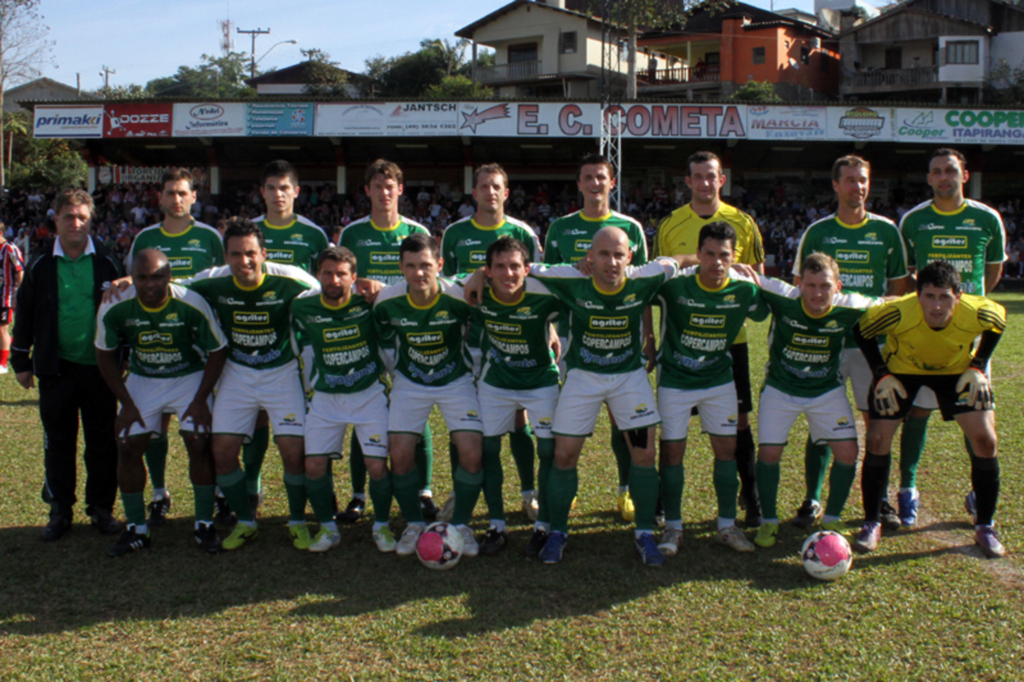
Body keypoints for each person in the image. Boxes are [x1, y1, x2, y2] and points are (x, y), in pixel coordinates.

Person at [467, 227, 680, 565]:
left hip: (629, 379)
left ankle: (644, 533)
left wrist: (715, 261)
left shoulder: (646, 277)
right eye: (603, 254)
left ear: (630, 258)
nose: (611, 262)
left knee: (644, 453)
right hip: (583, 378)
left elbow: (677, 261)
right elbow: (522, 267)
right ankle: (557, 531)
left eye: (618, 255)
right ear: (589, 258)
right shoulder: (568, 277)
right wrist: (481, 272)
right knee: (563, 456)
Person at [852, 260, 1006, 557]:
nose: (936, 306)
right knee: (877, 440)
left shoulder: (978, 310)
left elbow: (998, 322)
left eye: (944, 297)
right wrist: (881, 373)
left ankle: (985, 525)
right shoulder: (898, 312)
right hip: (902, 371)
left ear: (958, 296)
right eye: (929, 296)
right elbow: (862, 331)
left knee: (986, 441)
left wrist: (977, 365)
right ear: (917, 294)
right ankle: (872, 522)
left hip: (956, 372)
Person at [791, 155, 911, 529]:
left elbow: (898, 290)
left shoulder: (888, 231)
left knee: (879, 426)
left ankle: (878, 501)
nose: (857, 187)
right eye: (849, 180)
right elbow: (801, 289)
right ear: (835, 185)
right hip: (827, 345)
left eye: (863, 180)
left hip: (871, 348)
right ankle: (812, 499)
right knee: (820, 426)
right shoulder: (818, 232)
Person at [186, 218, 318, 550]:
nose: (243, 262)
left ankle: (298, 521)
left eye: (250, 254)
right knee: (223, 452)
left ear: (263, 253)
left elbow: (330, 293)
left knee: (293, 452)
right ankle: (246, 521)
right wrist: (128, 280)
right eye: (235, 254)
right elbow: (170, 286)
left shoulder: (290, 279)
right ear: (225, 256)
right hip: (237, 373)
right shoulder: (212, 281)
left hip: (282, 372)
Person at [655, 150, 766, 527]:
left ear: (723, 180)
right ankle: (661, 502)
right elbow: (660, 277)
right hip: (681, 343)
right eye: (697, 176)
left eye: (712, 176)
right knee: (673, 429)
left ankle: (749, 497)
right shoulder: (670, 225)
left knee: (738, 424)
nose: (705, 182)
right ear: (687, 182)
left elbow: (756, 279)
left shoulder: (743, 222)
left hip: (729, 342)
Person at [896, 148, 1006, 527]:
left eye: (950, 171)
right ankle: (907, 490)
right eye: (936, 172)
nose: (943, 177)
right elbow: (910, 275)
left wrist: (966, 308)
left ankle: (979, 492)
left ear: (963, 175)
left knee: (975, 417)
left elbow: (991, 274)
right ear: (928, 179)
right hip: (925, 332)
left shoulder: (986, 218)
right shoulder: (913, 221)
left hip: (970, 337)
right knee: (917, 411)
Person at [94, 249, 228, 556]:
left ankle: (204, 524)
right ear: (132, 276)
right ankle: (136, 528)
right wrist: (126, 403)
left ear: (169, 277)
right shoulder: (115, 304)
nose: (149, 284)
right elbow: (104, 354)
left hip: (188, 375)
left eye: (157, 277)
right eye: (142, 277)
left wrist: (199, 400)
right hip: (144, 377)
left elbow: (218, 350)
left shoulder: (190, 302)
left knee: (198, 439)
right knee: (127, 444)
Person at [11, 189, 124, 541]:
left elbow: (124, 313)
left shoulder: (108, 261)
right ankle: (60, 510)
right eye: (68, 217)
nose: (75, 223)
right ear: (55, 220)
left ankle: (101, 509)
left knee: (102, 442)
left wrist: (126, 358)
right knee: (58, 442)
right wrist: (20, 361)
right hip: (55, 369)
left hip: (100, 368)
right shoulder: (41, 264)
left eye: (82, 217)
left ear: (91, 220)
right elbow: (25, 313)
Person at [544, 153, 649, 523]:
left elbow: (642, 287)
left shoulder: (630, 227)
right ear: (578, 183)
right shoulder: (560, 228)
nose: (594, 183)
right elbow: (550, 287)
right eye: (587, 177)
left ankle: (625, 493)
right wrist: (552, 329)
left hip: (622, 337)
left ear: (611, 182)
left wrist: (648, 335)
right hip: (575, 339)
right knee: (571, 426)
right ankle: (568, 492)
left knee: (624, 424)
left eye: (601, 177)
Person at [751, 253, 879, 549]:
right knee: (769, 454)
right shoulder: (784, 297)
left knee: (848, 452)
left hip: (825, 392)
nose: (818, 293)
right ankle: (769, 521)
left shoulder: (853, 305)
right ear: (800, 284)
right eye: (811, 285)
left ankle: (832, 518)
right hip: (780, 389)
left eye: (825, 286)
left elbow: (893, 305)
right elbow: (749, 277)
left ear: (839, 286)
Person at [441, 163, 544, 528]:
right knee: (466, 418)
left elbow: (537, 285)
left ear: (506, 190)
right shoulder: (455, 233)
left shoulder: (523, 232)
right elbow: (447, 284)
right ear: (474, 192)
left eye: (496, 186)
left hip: (513, 336)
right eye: (483, 186)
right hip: (469, 336)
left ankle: (529, 492)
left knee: (519, 418)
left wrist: (547, 329)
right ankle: (461, 490)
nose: (490, 192)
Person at [372, 233, 485, 557]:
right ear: (401, 268)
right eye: (411, 266)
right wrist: (397, 372)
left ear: (439, 265)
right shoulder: (388, 301)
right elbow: (382, 336)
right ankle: (413, 524)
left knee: (472, 451)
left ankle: (461, 523)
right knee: (401, 452)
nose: (419, 273)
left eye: (425, 265)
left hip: (456, 380)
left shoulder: (460, 297)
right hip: (410, 382)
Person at [124, 168, 225, 526]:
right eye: (170, 193)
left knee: (199, 432)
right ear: (160, 197)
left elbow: (220, 285)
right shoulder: (145, 237)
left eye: (183, 193)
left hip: (197, 350)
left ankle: (214, 495)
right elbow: (132, 283)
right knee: (155, 426)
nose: (177, 199)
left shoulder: (210, 237)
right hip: (153, 345)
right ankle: (159, 492)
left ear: (194, 197)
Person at [338, 159, 436, 525]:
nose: (383, 192)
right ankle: (359, 493)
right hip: (366, 332)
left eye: (389, 185)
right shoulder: (352, 234)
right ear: (367, 191)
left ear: (400, 189)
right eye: (376, 186)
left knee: (417, 402)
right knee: (362, 406)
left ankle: (424, 491)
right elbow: (342, 280)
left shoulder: (416, 230)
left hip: (409, 333)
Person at [244, 160, 331, 518]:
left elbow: (323, 288)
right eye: (270, 188)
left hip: (300, 341)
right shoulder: (247, 232)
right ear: (261, 192)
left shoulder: (313, 235)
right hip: (254, 337)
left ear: (296, 192)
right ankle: (252, 485)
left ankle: (317, 492)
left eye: (284, 188)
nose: (277, 195)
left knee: (308, 418)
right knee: (257, 417)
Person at [291, 246, 391, 553]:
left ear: (354, 277)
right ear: (318, 274)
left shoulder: (370, 303)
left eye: (341, 274)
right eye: (327, 273)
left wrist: (380, 287)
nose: (334, 279)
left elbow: (402, 296)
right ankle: (328, 528)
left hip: (369, 394)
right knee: (313, 465)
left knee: (376, 466)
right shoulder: (302, 308)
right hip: (326, 398)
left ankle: (382, 526)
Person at [469, 236, 562, 557]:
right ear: (488, 271)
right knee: (488, 448)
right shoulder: (477, 292)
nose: (508, 273)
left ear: (527, 269)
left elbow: (576, 282)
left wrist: (551, 329)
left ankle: (544, 525)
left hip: (540, 380)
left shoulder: (544, 293)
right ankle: (496, 525)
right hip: (497, 382)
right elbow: (440, 282)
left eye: (514, 266)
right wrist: (474, 277)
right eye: (499, 267)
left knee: (549, 450)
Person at [0, 222, 25, 373]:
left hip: (6, 296)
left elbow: (19, 271)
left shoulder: (9, 248)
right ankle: (15, 346)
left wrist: (19, 294)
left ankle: (2, 364)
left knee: (2, 328)